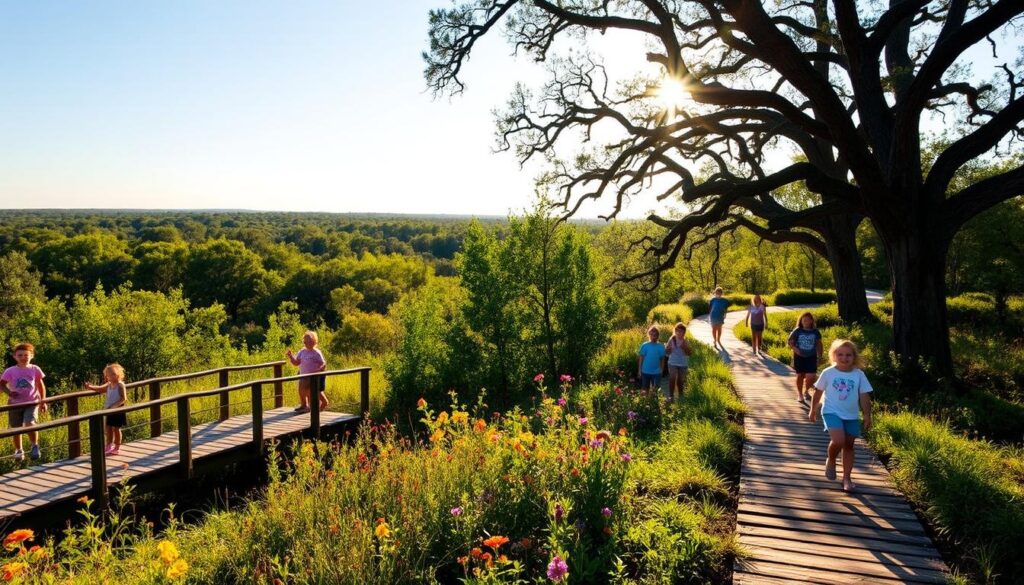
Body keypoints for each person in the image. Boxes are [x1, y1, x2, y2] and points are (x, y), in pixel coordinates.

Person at [808, 339, 873, 493]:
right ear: (834, 356)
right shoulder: (828, 373)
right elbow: (818, 392)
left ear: (854, 357)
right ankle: (831, 459)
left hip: (851, 415)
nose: (844, 358)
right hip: (831, 411)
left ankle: (847, 478)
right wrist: (813, 410)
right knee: (838, 440)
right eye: (840, 354)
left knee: (849, 445)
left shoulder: (859, 375)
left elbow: (864, 396)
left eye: (848, 355)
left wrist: (867, 415)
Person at [0, 343, 48, 461]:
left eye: (26, 355)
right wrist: (9, 392)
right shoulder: (10, 371)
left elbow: (40, 385)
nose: (23, 357)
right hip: (14, 403)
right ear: (15, 357)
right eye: (20, 355)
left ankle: (34, 445)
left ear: (31, 356)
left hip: (31, 402)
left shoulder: (34, 369)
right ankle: (18, 450)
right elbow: (2, 385)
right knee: (16, 428)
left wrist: (43, 401)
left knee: (30, 423)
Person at [85, 363, 127, 456]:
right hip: (108, 410)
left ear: (117, 375)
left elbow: (123, 398)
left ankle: (117, 447)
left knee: (116, 429)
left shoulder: (120, 385)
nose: (109, 377)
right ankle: (108, 445)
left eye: (111, 375)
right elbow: (100, 389)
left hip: (117, 410)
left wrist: (114, 406)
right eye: (107, 375)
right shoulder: (109, 384)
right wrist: (90, 387)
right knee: (108, 428)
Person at [286, 330, 327, 414]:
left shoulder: (316, 352)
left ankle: (320, 403)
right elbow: (296, 363)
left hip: (313, 376)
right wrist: (291, 357)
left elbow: (323, 363)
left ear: (313, 341)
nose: (304, 342)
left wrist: (320, 369)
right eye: (304, 341)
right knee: (301, 390)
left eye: (307, 340)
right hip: (302, 375)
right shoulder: (302, 351)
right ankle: (304, 405)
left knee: (313, 391)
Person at [787, 312, 822, 403]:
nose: (806, 322)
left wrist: (819, 357)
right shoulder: (797, 330)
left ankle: (806, 391)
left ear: (811, 321)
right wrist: (795, 349)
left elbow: (819, 344)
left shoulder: (815, 332)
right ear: (801, 321)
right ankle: (800, 394)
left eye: (808, 320)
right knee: (800, 375)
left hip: (811, 356)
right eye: (804, 320)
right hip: (799, 356)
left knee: (811, 376)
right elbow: (790, 341)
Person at [664, 322, 692, 401]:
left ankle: (681, 396)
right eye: (678, 331)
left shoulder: (685, 340)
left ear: (684, 332)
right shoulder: (672, 339)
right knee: (672, 378)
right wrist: (668, 349)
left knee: (680, 381)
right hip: (672, 362)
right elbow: (666, 351)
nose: (679, 333)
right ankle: (671, 396)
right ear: (675, 331)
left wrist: (685, 348)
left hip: (683, 363)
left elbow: (689, 353)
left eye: (681, 331)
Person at [637, 325, 666, 391]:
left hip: (657, 372)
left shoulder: (661, 347)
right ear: (649, 335)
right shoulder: (645, 345)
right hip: (645, 371)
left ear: (658, 336)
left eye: (655, 335)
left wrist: (661, 370)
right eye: (651, 334)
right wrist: (639, 370)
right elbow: (641, 358)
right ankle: (645, 401)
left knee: (655, 390)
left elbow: (662, 360)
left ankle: (654, 400)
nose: (653, 337)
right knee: (645, 389)